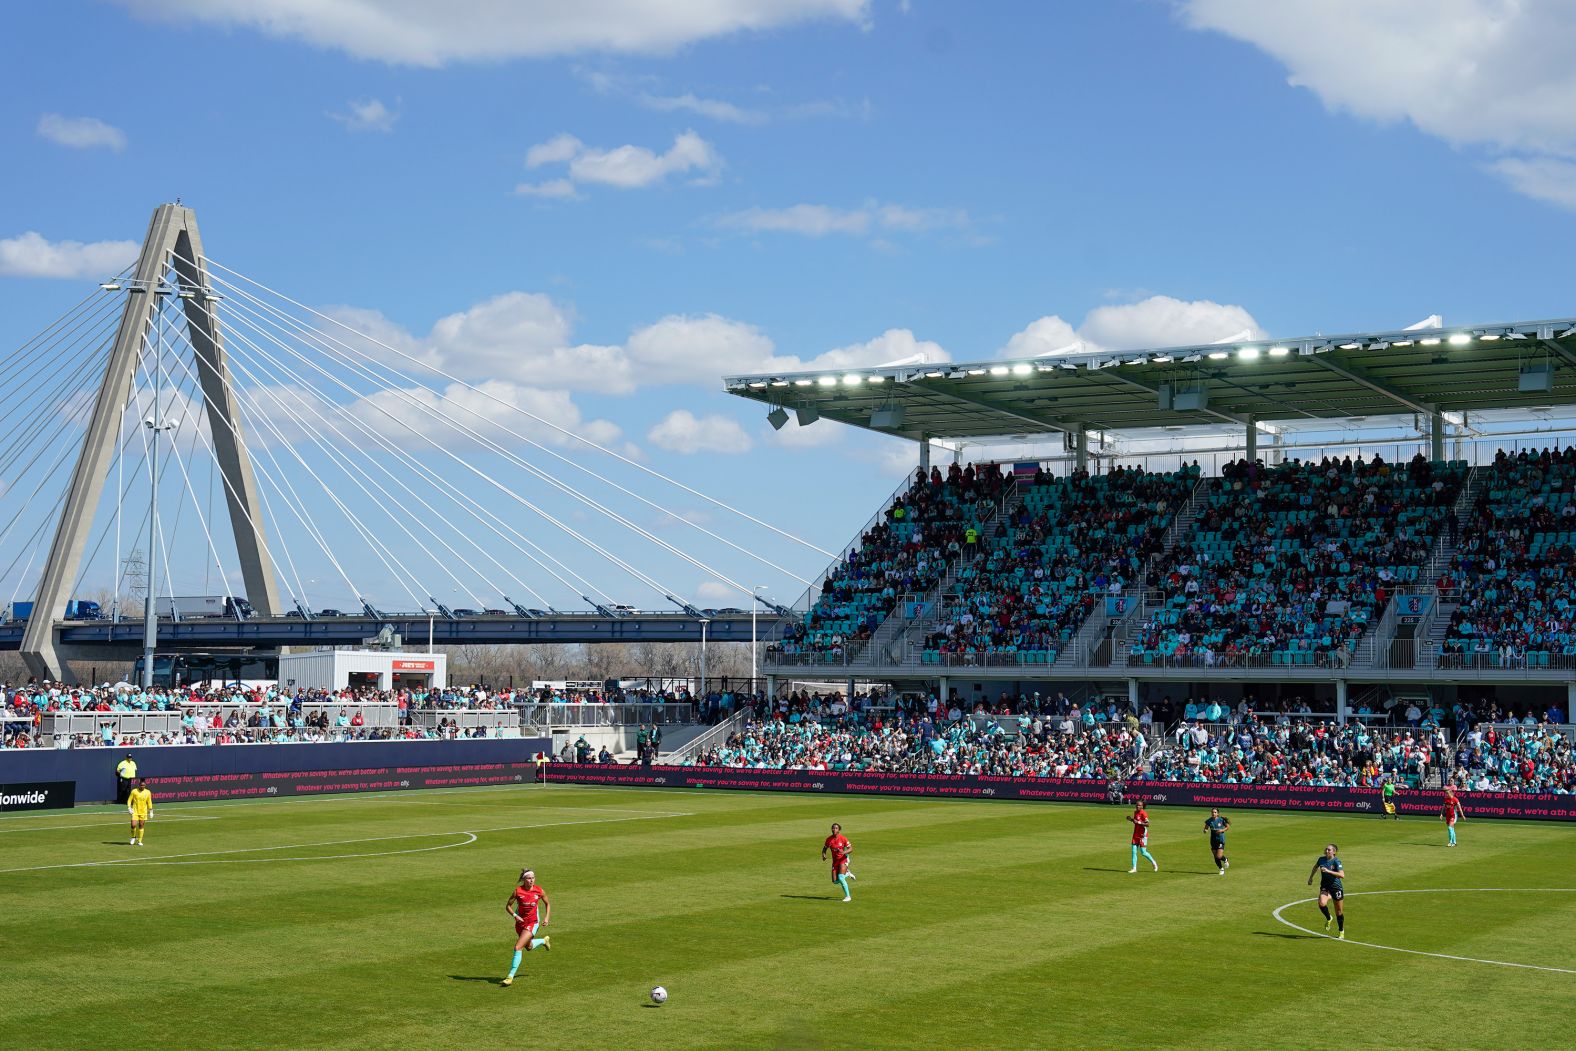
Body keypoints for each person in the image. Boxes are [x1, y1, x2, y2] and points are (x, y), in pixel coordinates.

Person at [501, 868, 551, 987]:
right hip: (520, 923)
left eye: (533, 878)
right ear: (524, 879)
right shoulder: (518, 892)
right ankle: (544, 941)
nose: (531, 880)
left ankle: (510, 976)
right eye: (529, 878)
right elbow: (508, 906)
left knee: (518, 947)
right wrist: (515, 915)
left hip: (533, 923)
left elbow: (547, 903)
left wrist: (546, 918)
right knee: (528, 946)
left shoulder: (539, 890)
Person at [1307, 843, 1347, 939]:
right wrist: (1311, 878)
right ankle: (1329, 918)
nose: (1327, 851)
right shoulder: (1321, 859)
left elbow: (1342, 875)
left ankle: (1341, 931)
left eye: (1329, 850)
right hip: (1325, 886)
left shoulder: (1336, 861)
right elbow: (1315, 867)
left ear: (1334, 852)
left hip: (1336, 888)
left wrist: (1328, 871)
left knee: (1339, 912)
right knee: (1321, 903)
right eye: (1326, 849)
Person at [822, 822, 855, 902]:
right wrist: (823, 854)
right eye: (833, 828)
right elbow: (825, 848)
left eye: (836, 828)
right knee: (835, 881)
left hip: (843, 859)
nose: (834, 829)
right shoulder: (829, 839)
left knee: (840, 877)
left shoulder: (843, 838)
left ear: (839, 830)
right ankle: (847, 873)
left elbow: (851, 849)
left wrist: (844, 852)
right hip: (835, 861)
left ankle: (848, 896)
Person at [1127, 799, 1158, 873]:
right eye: (1137, 805)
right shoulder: (1135, 812)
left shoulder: (1144, 813)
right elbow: (1136, 822)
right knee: (1133, 851)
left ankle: (1154, 862)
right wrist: (1132, 820)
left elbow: (1148, 824)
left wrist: (1138, 822)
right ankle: (1134, 868)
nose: (1138, 806)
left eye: (1139, 805)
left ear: (1142, 806)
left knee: (1143, 852)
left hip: (1142, 835)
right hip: (1136, 834)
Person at [1202, 807, 1230, 875]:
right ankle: (1221, 869)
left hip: (1220, 840)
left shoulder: (1221, 820)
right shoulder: (1209, 820)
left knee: (1219, 856)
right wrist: (1205, 830)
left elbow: (1227, 827)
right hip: (1213, 840)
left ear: (1217, 813)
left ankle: (1225, 859)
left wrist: (1222, 830)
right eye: (1212, 812)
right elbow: (1206, 828)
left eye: (1215, 812)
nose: (1213, 813)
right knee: (1215, 856)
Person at [127, 777, 153, 846]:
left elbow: (149, 801)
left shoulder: (148, 792)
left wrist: (151, 810)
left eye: (144, 785)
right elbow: (129, 800)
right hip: (135, 811)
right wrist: (129, 807)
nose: (142, 786)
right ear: (139, 785)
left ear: (145, 785)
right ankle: (133, 837)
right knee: (133, 825)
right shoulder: (134, 791)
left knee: (141, 825)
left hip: (143, 811)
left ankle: (140, 841)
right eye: (141, 785)